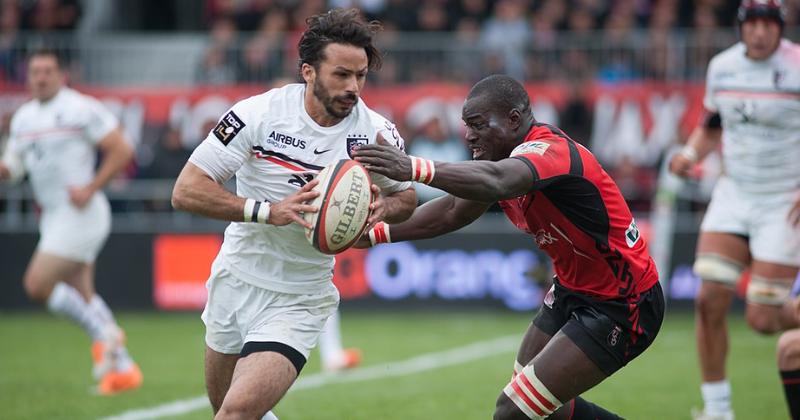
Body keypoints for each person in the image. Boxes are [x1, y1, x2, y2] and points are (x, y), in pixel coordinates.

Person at [353, 74, 665, 420]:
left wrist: (412, 167)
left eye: (478, 125)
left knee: (513, 411)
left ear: (514, 120)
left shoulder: (550, 151)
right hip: (572, 290)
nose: (469, 135)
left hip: (623, 302)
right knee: (537, 407)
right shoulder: (502, 161)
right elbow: (453, 210)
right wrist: (375, 233)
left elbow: (498, 181)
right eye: (467, 126)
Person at [171, 9, 416, 419]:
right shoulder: (257, 114)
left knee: (235, 413)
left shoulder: (375, 133)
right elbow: (186, 190)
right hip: (235, 277)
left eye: (360, 76)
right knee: (224, 407)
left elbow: (406, 199)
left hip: (300, 296)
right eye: (341, 75)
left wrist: (380, 209)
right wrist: (268, 211)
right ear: (308, 71)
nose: (353, 87)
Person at [668, 1, 800, 419]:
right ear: (741, 27)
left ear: (780, 28)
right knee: (708, 299)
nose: (759, 32)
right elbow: (712, 125)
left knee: (763, 318)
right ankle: (718, 410)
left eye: (768, 24)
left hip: (784, 201)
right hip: (734, 194)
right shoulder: (722, 67)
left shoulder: (797, 65)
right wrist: (690, 154)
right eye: (752, 24)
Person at [0, 49, 141, 395]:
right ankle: (123, 370)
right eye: (35, 71)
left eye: (47, 71)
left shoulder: (80, 108)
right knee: (82, 294)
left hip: (81, 213)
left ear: (61, 75)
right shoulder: (23, 118)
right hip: (52, 215)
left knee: (37, 284)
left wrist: (92, 186)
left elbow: (122, 150)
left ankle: (105, 334)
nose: (41, 77)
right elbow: (13, 168)